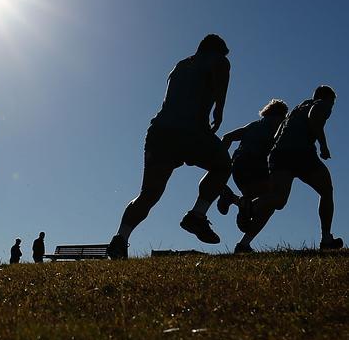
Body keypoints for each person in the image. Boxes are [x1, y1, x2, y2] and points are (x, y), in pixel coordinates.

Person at [107, 34, 232, 259]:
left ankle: (120, 239)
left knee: (149, 194)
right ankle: (197, 215)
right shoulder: (218, 60)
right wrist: (219, 110)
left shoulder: (180, 65)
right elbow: (221, 76)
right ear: (216, 50)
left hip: (160, 134)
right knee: (223, 165)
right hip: (190, 132)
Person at [234, 85, 343, 252]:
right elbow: (314, 117)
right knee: (326, 190)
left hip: (279, 155)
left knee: (278, 199)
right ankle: (326, 239)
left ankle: (244, 239)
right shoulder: (322, 104)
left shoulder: (297, 109)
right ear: (329, 99)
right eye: (333, 103)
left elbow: (278, 133)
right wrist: (323, 145)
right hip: (301, 153)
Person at [216, 99, 289, 235]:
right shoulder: (278, 127)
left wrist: (222, 163)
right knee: (272, 200)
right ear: (281, 115)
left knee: (257, 201)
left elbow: (227, 137)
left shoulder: (253, 125)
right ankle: (242, 214)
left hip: (238, 167)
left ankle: (233, 199)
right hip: (254, 165)